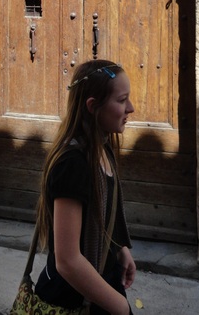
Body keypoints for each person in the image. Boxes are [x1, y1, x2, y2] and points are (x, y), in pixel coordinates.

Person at [35, 59, 136, 315]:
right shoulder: (74, 163)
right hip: (75, 297)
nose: (131, 108)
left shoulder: (102, 148)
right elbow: (68, 261)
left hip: (100, 284)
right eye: (122, 100)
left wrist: (119, 249)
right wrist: (121, 307)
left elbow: (102, 216)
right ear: (93, 106)